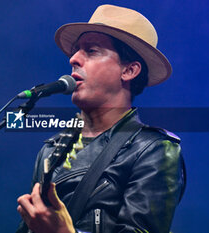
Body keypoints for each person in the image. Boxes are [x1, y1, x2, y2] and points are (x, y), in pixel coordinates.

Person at [16, 4, 186, 233]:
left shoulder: (154, 149)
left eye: (91, 50)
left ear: (129, 71)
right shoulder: (51, 150)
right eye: (75, 50)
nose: (73, 59)